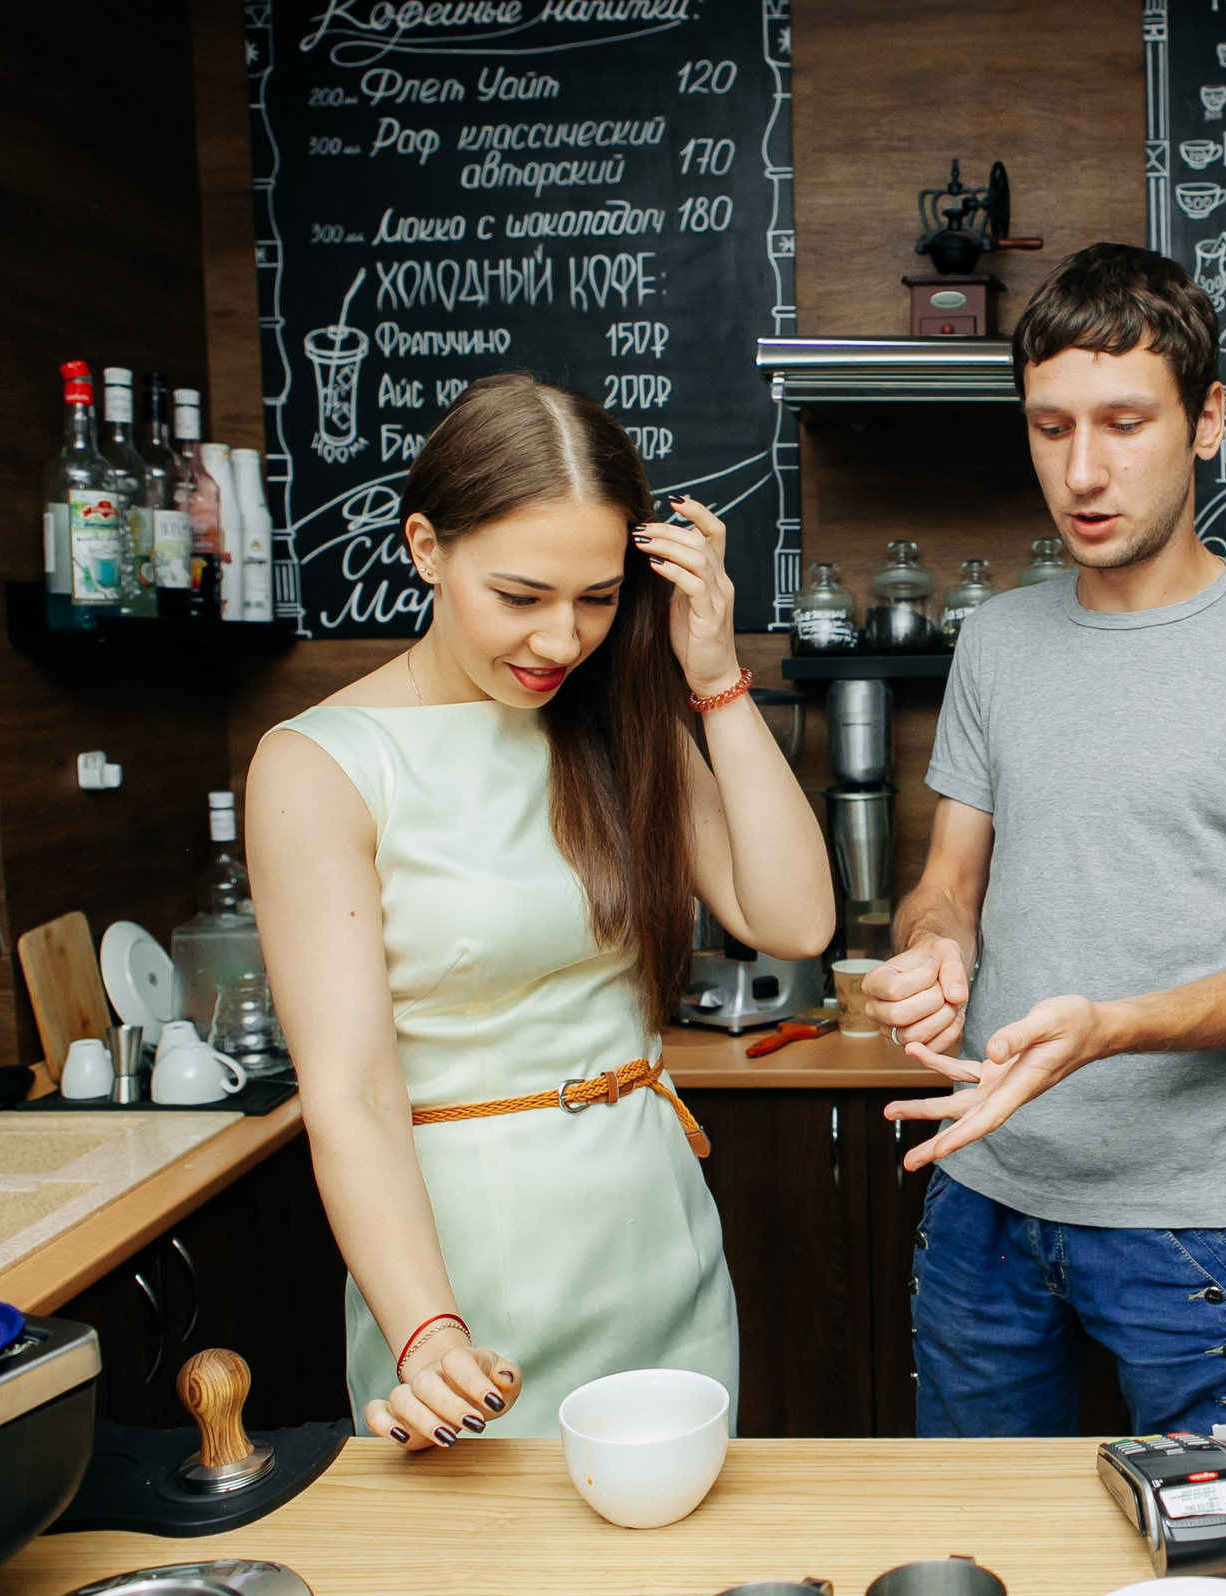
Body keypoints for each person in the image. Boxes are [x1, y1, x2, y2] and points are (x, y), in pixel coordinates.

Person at [249, 374, 831, 1446]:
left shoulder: (611, 718)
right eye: (520, 595)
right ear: (426, 547)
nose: (562, 641)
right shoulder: (318, 765)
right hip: (465, 1272)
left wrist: (711, 674)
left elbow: (793, 920)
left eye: (598, 598)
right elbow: (354, 1095)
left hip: (656, 1241)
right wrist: (427, 1329)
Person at [863, 243, 1226, 1437]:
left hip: (1190, 1216)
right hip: (982, 1195)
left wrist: (1108, 1027)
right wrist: (935, 951)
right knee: (980, 1551)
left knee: (1211, 1567)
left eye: (1123, 423)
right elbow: (945, 886)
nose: (1081, 471)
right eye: (1049, 428)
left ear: (1206, 420)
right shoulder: (996, 639)